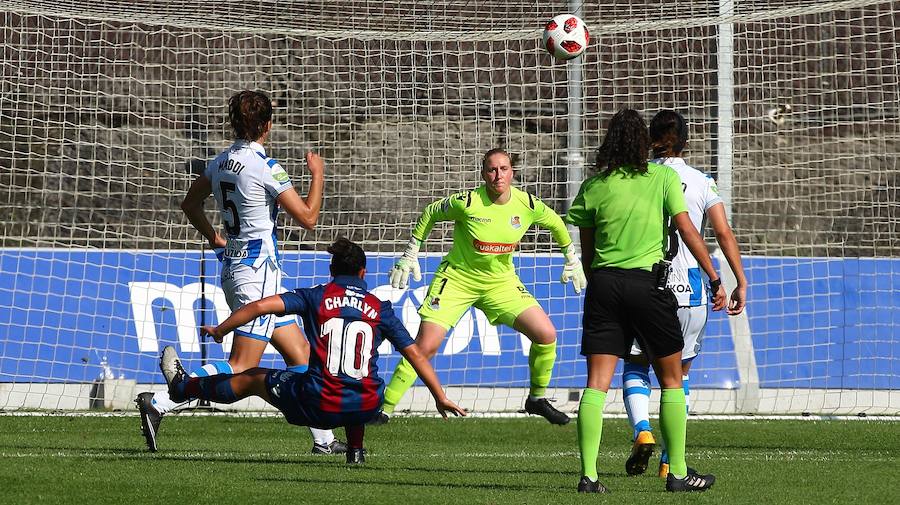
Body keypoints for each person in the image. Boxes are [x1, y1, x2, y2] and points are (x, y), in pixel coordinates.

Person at [134, 90, 340, 455]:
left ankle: (324, 440)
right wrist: (319, 174)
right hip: (258, 275)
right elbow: (309, 218)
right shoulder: (266, 166)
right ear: (267, 125)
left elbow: (189, 204)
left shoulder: (221, 161)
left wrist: (216, 238)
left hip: (238, 268)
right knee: (242, 364)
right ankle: (164, 400)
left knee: (301, 355)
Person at [160, 238, 467, 464]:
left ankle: (182, 387)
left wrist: (221, 329)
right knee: (359, 380)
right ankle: (355, 451)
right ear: (363, 273)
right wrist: (439, 396)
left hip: (318, 406)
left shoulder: (315, 297)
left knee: (252, 377)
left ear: (332, 271)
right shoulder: (379, 308)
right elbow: (415, 354)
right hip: (367, 407)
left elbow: (260, 306)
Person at [565, 109, 726, 493]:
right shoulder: (662, 178)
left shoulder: (593, 186)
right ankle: (678, 474)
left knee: (596, 385)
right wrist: (715, 276)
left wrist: (600, 286)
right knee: (672, 380)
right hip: (647, 285)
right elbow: (687, 231)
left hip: (604, 286)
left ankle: (589, 477)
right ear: (643, 142)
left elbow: (588, 252)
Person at [375, 148, 586, 425]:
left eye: (503, 169)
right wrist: (410, 252)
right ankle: (384, 409)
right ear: (483, 174)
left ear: (512, 172)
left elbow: (557, 223)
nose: (498, 175)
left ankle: (536, 399)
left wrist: (571, 258)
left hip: (501, 283)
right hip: (457, 280)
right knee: (425, 347)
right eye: (492, 170)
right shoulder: (467, 202)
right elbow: (431, 212)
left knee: (546, 334)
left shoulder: (527, 204)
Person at [621, 110, 747, 478]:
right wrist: (737, 280)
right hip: (689, 288)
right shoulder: (702, 181)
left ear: (650, 140)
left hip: (644, 283)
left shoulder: (635, 178)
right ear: (686, 143)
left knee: (636, 364)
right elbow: (722, 232)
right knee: (678, 375)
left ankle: (642, 430)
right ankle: (669, 458)